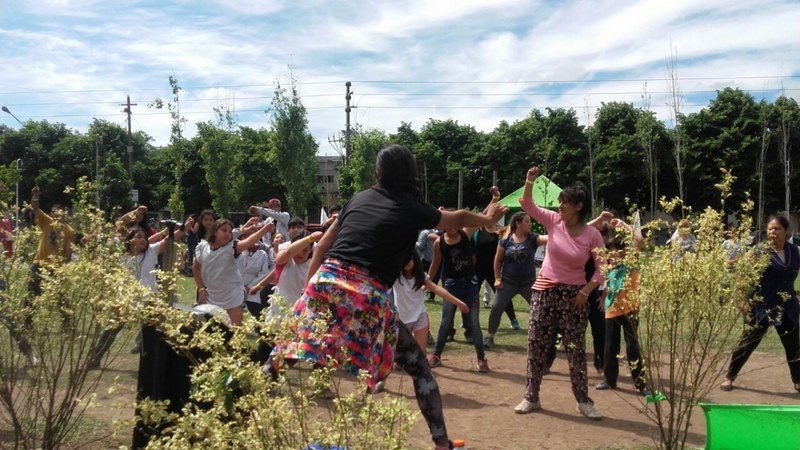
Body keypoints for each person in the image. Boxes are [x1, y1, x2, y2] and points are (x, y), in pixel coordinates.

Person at [268, 144, 507, 450]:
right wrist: (486, 220)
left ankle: (239, 408)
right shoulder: (412, 206)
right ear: (409, 172)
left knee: (284, 351)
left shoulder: (358, 198)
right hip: (366, 291)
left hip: (325, 280)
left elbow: (325, 244)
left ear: (378, 171)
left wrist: (310, 288)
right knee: (419, 368)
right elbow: (455, 216)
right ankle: (442, 443)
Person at [514, 166, 605, 420]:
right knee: (536, 345)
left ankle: (583, 401)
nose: (559, 206)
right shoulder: (554, 222)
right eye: (560, 202)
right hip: (544, 292)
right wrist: (529, 180)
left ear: (579, 206)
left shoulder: (593, 235)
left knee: (575, 350)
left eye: (564, 202)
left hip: (575, 298)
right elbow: (527, 204)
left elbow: (602, 269)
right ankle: (531, 397)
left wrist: (586, 292)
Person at [87, 220, 193, 368]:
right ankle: (95, 358)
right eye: (138, 236)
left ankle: (152, 363)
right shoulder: (122, 257)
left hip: (149, 298)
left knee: (153, 330)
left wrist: (183, 227)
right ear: (130, 240)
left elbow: (171, 239)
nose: (143, 239)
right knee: (111, 328)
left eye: (144, 236)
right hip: (126, 298)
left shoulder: (151, 251)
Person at [721, 216, 800, 393]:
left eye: (777, 228)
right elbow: (742, 275)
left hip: (787, 306)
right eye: (770, 228)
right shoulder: (759, 251)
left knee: (793, 345)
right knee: (748, 342)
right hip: (760, 305)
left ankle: (798, 380)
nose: (772, 231)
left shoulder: (794, 251)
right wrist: (741, 299)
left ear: (787, 231)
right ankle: (729, 377)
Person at [595, 218, 649, 396]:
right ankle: (609, 380)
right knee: (611, 347)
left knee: (632, 347)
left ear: (623, 251)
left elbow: (639, 240)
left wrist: (624, 225)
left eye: (613, 252)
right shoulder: (610, 266)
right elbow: (607, 284)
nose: (610, 256)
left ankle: (641, 384)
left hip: (630, 309)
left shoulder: (630, 261)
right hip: (612, 310)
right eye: (609, 253)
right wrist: (603, 299)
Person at [427, 218, 489, 372]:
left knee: (474, 323)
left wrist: (493, 201)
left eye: (455, 223)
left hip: (470, 285)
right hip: (451, 286)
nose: (452, 227)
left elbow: (480, 219)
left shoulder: (465, 234)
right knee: (446, 321)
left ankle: (481, 359)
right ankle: (436, 355)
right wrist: (426, 281)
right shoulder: (439, 243)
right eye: (448, 224)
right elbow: (435, 264)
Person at [193, 218, 275, 326]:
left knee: (235, 331)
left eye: (229, 231)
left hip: (233, 296)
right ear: (214, 231)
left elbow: (248, 242)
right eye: (224, 230)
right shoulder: (202, 247)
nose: (227, 233)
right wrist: (201, 288)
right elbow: (196, 268)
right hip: (211, 295)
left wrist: (264, 230)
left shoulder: (232, 247)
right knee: (208, 330)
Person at [484, 212, 547, 348]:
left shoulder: (533, 238)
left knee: (539, 310)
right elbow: (498, 260)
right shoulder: (506, 239)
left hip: (528, 283)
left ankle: (543, 340)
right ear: (518, 224)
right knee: (496, 308)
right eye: (527, 221)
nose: (530, 224)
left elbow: (549, 238)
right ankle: (490, 337)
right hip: (508, 282)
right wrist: (497, 278)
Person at [393, 249, 469, 358]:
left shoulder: (421, 277)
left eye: (411, 260)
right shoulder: (396, 277)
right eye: (405, 260)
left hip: (420, 316)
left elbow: (438, 289)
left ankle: (424, 371)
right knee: (399, 353)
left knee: (421, 352)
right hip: (401, 319)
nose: (408, 262)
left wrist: (459, 303)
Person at [238, 234, 271, 319]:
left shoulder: (262, 254)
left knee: (257, 313)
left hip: (253, 286)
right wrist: (241, 286)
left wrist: (250, 286)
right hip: (237, 285)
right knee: (236, 311)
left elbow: (263, 273)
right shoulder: (240, 252)